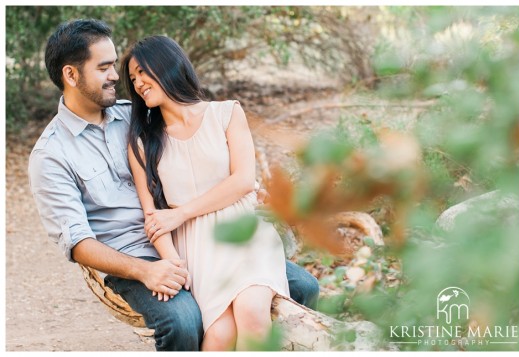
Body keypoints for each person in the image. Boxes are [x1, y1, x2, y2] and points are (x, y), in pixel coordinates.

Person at [28, 18, 319, 352]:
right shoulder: (51, 155)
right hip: (135, 256)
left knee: (304, 286)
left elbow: (203, 152)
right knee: (183, 321)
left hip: (195, 235)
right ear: (71, 75)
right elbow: (77, 243)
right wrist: (145, 271)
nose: (118, 78)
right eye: (105, 67)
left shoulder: (134, 117)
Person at [122, 35, 290, 351]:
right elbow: (153, 217)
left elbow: (243, 180)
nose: (139, 83)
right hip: (195, 246)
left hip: (242, 230)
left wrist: (181, 212)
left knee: (252, 313)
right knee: (220, 336)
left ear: (168, 65)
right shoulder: (142, 142)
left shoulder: (226, 113)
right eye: (133, 79)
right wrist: (173, 261)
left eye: (143, 72)